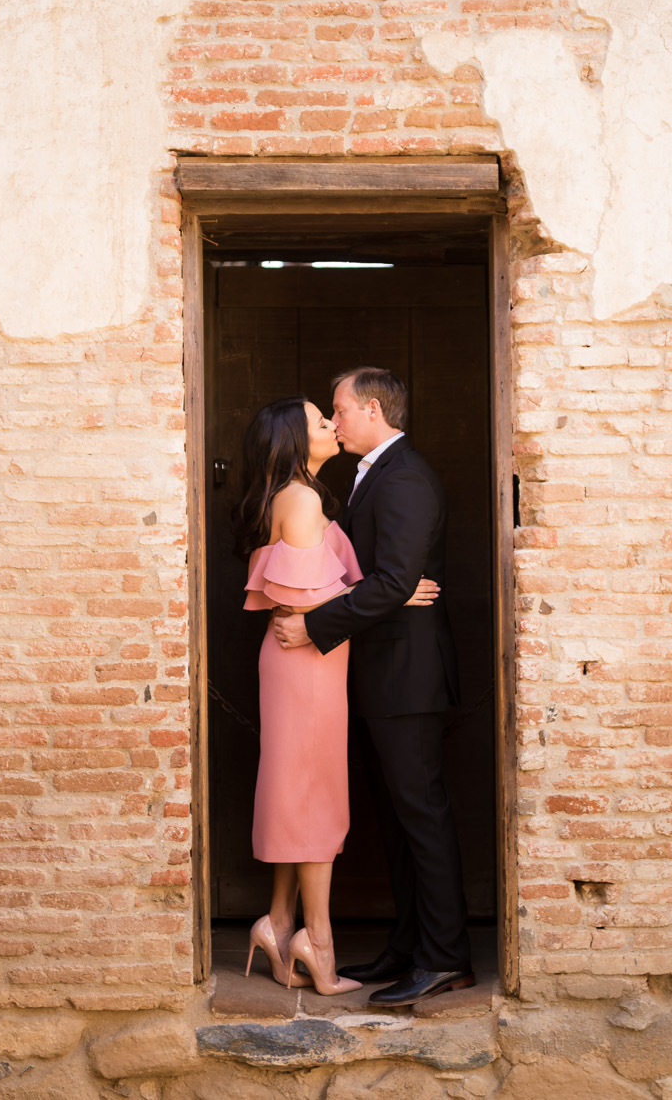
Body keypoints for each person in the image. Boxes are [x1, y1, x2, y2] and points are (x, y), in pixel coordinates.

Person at [270, 367, 473, 1006]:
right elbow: (385, 582)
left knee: (422, 815)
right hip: (383, 668)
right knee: (398, 817)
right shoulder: (372, 474)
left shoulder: (406, 476)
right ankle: (411, 944)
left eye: (340, 410)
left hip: (408, 675)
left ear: (374, 409)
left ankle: (444, 958)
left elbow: (393, 580)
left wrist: (314, 626)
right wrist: (379, 590)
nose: (334, 421)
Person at [235, 396, 441, 995]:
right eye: (318, 420)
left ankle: (279, 924)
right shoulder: (300, 500)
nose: (331, 423)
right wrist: (393, 593)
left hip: (309, 661)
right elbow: (300, 606)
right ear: (295, 440)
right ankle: (317, 946)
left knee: (294, 786)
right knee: (312, 793)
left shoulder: (302, 494)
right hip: (306, 662)